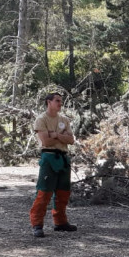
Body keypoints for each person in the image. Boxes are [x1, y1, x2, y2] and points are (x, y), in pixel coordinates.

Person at [29, 92, 77, 238]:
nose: (60, 103)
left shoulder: (64, 119)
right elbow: (45, 142)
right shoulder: (41, 119)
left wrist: (55, 135)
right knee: (44, 192)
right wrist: (59, 137)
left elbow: (71, 140)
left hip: (63, 157)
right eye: (57, 101)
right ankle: (37, 225)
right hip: (48, 157)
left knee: (63, 192)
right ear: (48, 102)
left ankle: (60, 222)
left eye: (60, 101)